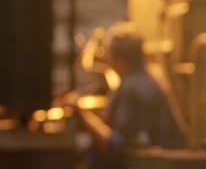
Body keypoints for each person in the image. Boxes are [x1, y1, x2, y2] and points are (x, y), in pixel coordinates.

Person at [78, 29, 185, 169]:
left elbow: (118, 146)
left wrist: (82, 115)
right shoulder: (149, 80)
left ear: (117, 57)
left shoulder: (131, 89)